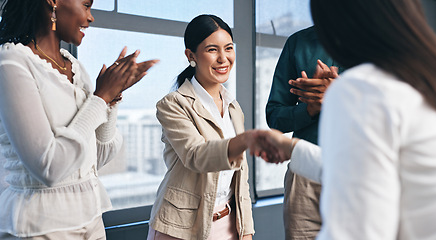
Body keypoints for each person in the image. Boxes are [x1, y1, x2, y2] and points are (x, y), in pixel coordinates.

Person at [253, 0, 436, 239]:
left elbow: (359, 228)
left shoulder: (360, 87)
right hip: (314, 175)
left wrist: (338, 94)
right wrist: (309, 112)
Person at [0, 0, 158, 239]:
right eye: (86, 5)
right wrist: (101, 97)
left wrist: (110, 99)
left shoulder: (76, 68)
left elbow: (97, 158)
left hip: (91, 221)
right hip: (40, 226)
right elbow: (49, 167)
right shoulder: (12, 63)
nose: (91, 17)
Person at [147, 14, 261, 240]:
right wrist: (242, 142)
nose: (223, 58)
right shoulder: (173, 104)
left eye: (228, 48)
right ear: (191, 56)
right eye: (212, 50)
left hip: (229, 225)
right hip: (181, 228)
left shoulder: (233, 108)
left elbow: (242, 178)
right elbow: (195, 155)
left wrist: (246, 231)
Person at [265, 25, 339, 239]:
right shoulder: (297, 43)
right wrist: (309, 109)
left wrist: (342, 94)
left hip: (361, 175)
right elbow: (275, 116)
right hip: (304, 178)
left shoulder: (380, 43)